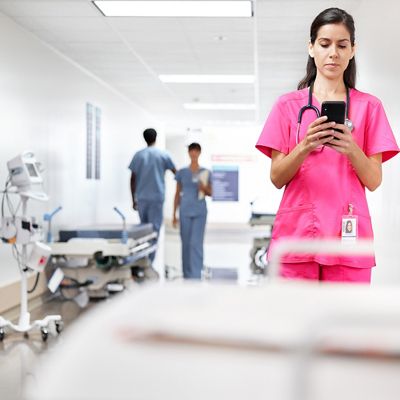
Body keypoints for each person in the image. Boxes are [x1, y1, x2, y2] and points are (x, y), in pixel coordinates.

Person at [255, 7, 399, 283]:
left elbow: (374, 180)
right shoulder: (287, 106)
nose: (333, 52)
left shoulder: (370, 107)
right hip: (297, 237)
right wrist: (305, 145)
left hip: (348, 236)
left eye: (342, 45)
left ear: (352, 50)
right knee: (294, 323)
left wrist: (351, 148)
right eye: (324, 44)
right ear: (311, 48)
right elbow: (276, 177)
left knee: (346, 325)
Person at [129, 128, 176, 263]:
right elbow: (176, 173)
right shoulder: (163, 155)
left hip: (142, 198)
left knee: (143, 231)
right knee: (154, 231)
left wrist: (133, 199)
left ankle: (143, 260)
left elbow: (132, 179)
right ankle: (149, 261)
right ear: (156, 138)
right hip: (156, 198)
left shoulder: (138, 155)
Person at [172, 143, 212, 279]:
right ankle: (187, 274)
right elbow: (177, 193)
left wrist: (204, 188)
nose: (194, 153)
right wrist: (174, 214)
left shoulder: (206, 172)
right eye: (191, 151)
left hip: (200, 211)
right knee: (186, 242)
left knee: (196, 242)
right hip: (185, 210)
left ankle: (196, 274)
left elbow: (211, 193)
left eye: (196, 151)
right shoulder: (182, 172)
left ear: (199, 153)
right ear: (189, 153)